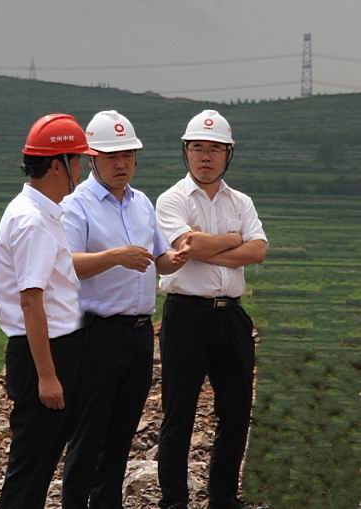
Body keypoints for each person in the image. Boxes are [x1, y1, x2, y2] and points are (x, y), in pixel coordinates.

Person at [60, 110, 191, 509]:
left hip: (138, 333)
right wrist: (115, 256)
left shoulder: (142, 203)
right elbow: (64, 264)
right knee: (88, 433)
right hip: (96, 332)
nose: (122, 164)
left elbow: (158, 259)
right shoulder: (76, 205)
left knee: (121, 433)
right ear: (92, 158)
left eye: (128, 156)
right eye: (112, 156)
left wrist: (177, 258)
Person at [155, 110, 268, 509]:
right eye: (198, 148)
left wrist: (210, 248)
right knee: (179, 413)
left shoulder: (241, 201)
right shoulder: (171, 199)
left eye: (215, 149)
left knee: (235, 412)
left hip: (231, 315)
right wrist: (233, 241)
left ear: (228, 154)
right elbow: (188, 246)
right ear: (185, 151)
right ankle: (174, 501)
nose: (206, 156)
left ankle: (223, 498)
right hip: (186, 315)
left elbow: (258, 250)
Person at [0, 113, 97, 509]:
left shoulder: (43, 212)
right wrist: (48, 376)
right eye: (77, 161)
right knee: (30, 469)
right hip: (42, 352)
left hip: (54, 347)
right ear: (58, 165)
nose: (81, 170)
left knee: (39, 463)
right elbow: (31, 301)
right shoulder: (33, 221)